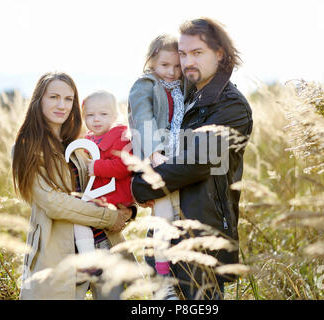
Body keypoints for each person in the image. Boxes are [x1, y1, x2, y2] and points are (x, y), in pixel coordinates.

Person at [131, 18, 253, 300]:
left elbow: (194, 163)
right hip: (163, 235)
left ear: (219, 53)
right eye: (183, 54)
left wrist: (140, 185)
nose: (187, 62)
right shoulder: (185, 97)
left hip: (202, 240)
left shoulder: (231, 106)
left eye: (197, 53)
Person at [12, 72, 132, 300]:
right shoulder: (26, 147)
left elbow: (107, 182)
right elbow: (54, 204)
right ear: (39, 101)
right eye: (54, 97)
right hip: (58, 252)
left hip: (104, 243)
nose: (62, 105)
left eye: (68, 99)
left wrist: (128, 209)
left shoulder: (81, 142)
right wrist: (108, 217)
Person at [128, 34, 184, 299]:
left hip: (177, 162)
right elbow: (143, 119)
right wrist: (154, 153)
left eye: (176, 66)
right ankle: (162, 281)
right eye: (164, 65)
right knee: (163, 218)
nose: (171, 72)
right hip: (157, 162)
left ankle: (173, 275)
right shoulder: (145, 85)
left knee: (176, 219)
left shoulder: (182, 88)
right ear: (150, 62)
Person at [74, 89, 135, 257]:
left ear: (115, 116)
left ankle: (88, 258)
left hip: (115, 195)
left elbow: (124, 166)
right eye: (90, 115)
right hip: (99, 194)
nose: (96, 119)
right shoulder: (88, 139)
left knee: (81, 217)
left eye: (103, 114)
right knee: (81, 221)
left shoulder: (120, 136)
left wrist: (97, 167)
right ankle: (88, 255)